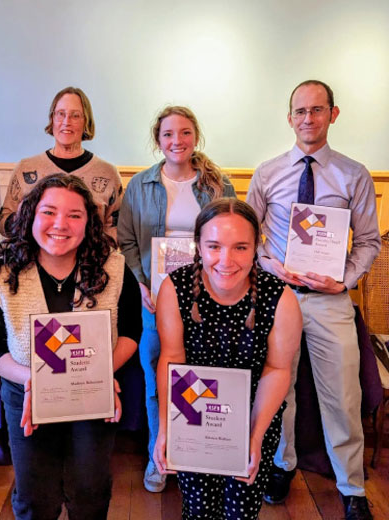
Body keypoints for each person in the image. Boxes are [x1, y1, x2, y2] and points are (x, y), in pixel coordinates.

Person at [246, 80, 380, 520]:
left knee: (343, 396)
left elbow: (368, 242)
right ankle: (283, 464)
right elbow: (251, 239)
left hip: (329, 301)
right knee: (278, 390)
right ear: (290, 118)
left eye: (317, 110)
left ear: (333, 115)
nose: (308, 119)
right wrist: (270, 267)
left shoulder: (354, 174)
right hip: (279, 296)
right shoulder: (267, 173)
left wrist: (343, 281)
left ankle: (352, 487)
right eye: (300, 111)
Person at [0, 173, 142, 520]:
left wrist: (98, 374)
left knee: (90, 492)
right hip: (27, 396)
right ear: (31, 216)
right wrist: (36, 379)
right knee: (35, 498)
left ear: (88, 223)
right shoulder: (4, 275)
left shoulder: (114, 269)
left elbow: (130, 333)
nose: (60, 224)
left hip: (94, 395)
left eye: (74, 215)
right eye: (49, 212)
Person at [154, 198, 302, 520]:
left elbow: (277, 369)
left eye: (240, 247)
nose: (226, 260)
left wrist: (254, 436)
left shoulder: (281, 299)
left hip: (253, 416)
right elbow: (171, 358)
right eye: (214, 246)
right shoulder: (175, 289)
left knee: (241, 509)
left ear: (255, 248)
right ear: (199, 247)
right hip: (192, 416)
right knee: (196, 507)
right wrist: (166, 428)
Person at [117, 105, 236, 493]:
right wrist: (142, 285)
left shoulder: (218, 185)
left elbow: (234, 237)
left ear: (195, 137)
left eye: (184, 133)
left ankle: (201, 456)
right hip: (156, 299)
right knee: (158, 380)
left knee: (205, 378)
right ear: (158, 141)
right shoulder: (140, 185)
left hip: (208, 297)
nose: (177, 141)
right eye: (168, 134)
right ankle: (159, 457)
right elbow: (127, 241)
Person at [0, 86, 122, 240]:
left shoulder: (108, 173)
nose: (66, 122)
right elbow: (3, 221)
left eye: (75, 116)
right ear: (52, 119)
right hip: (32, 262)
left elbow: (116, 229)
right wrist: (21, 220)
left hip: (90, 263)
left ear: (86, 121)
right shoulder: (26, 169)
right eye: (60, 114)